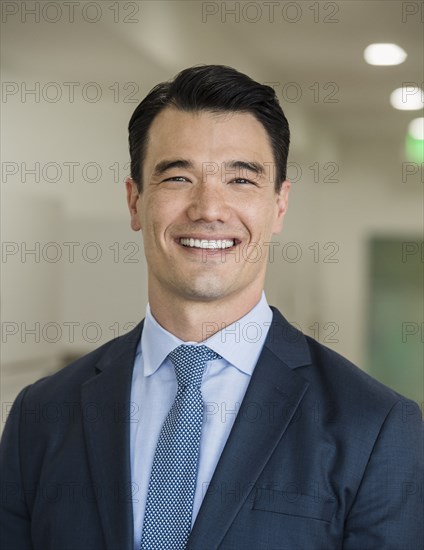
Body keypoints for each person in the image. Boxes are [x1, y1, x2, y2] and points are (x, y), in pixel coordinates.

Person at [0, 65, 422, 550]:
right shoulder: (42, 414)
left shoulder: (373, 426)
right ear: (135, 201)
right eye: (178, 176)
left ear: (279, 205)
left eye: (241, 180)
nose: (208, 208)